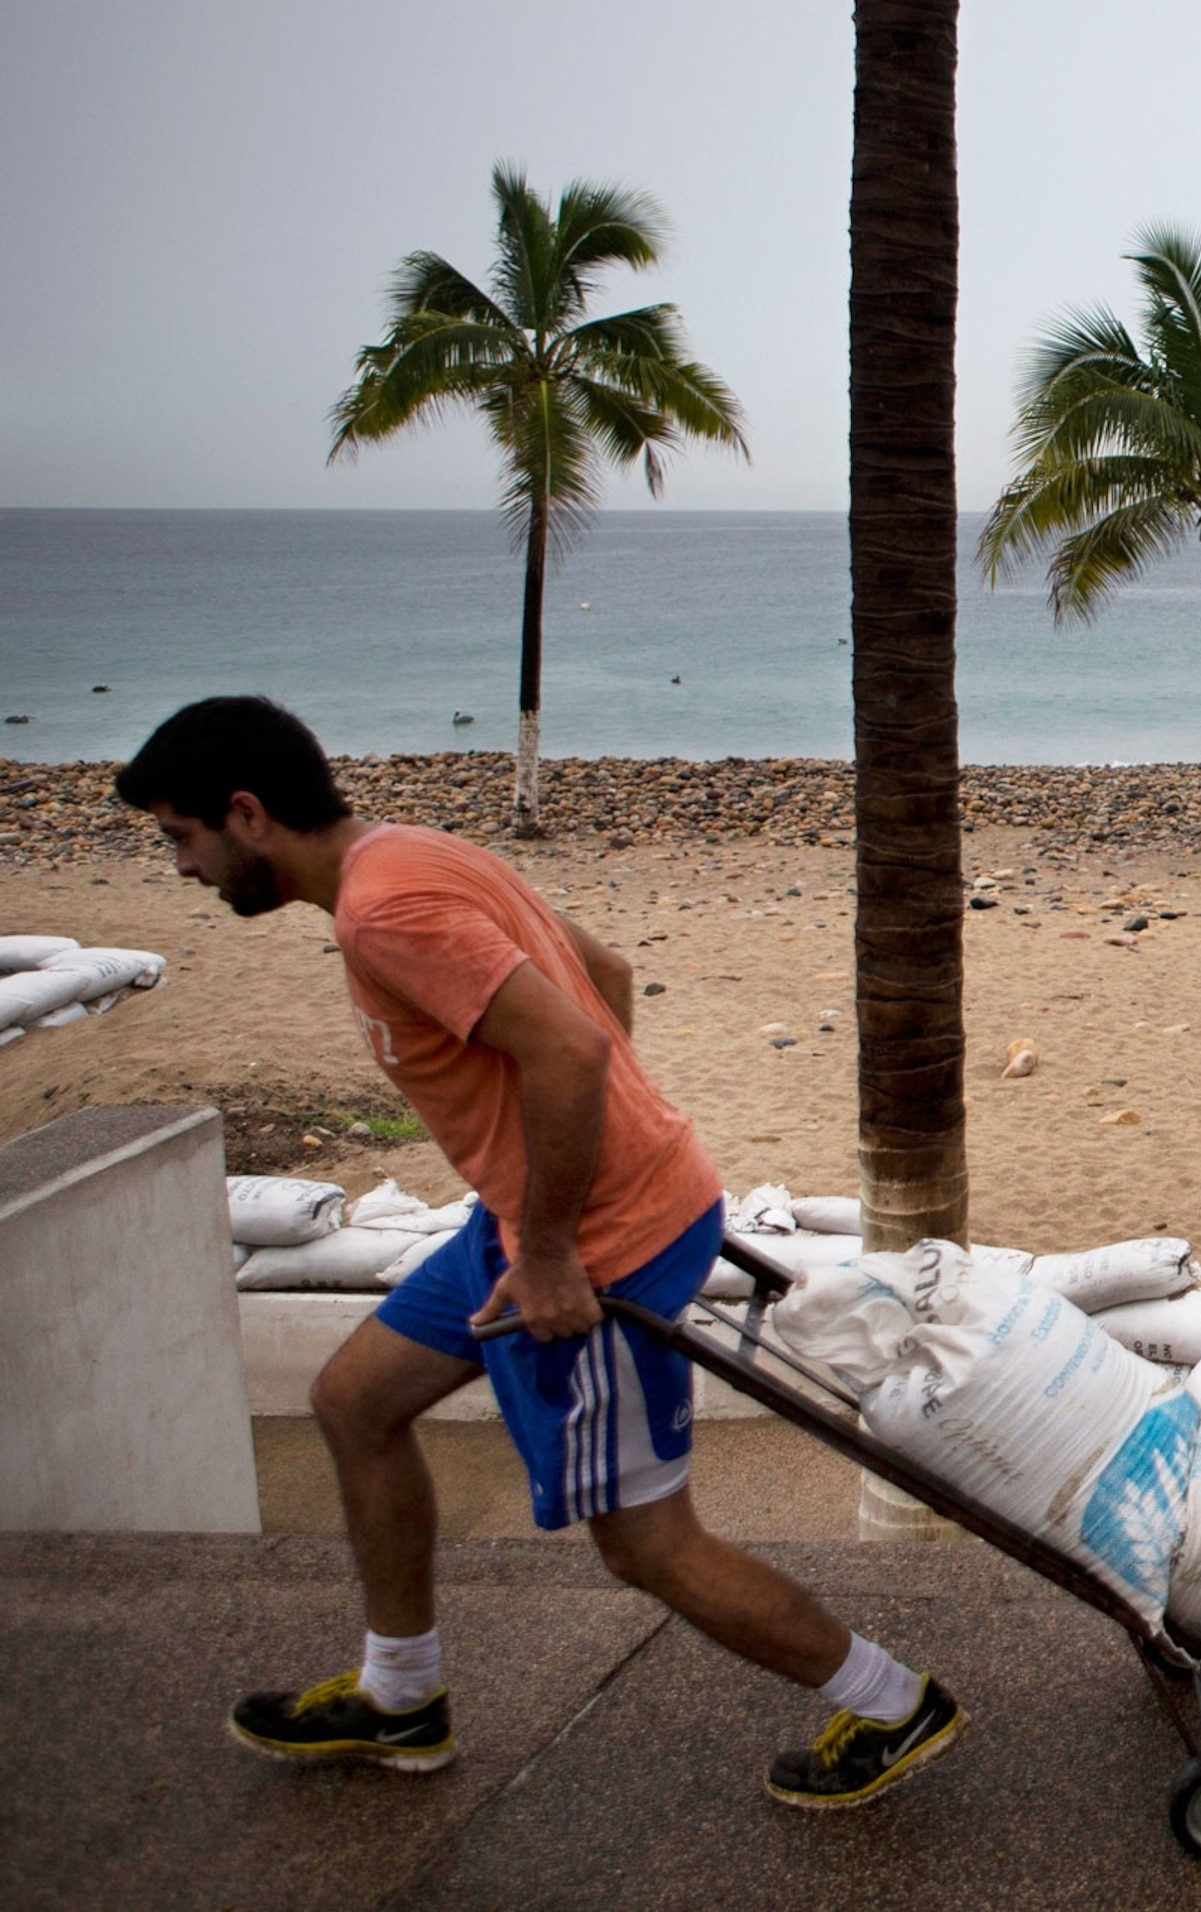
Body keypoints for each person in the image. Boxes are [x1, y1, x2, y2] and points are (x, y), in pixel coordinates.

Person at [118, 698, 958, 1809]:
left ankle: (894, 1703)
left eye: (181, 837)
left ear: (246, 813)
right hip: (525, 1222)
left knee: (645, 1542)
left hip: (594, 1248)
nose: (181, 866)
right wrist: (569, 1176)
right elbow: (602, 976)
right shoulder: (407, 851)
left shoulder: (386, 911)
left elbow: (570, 1045)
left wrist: (563, 1244)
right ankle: (399, 1694)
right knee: (355, 1403)